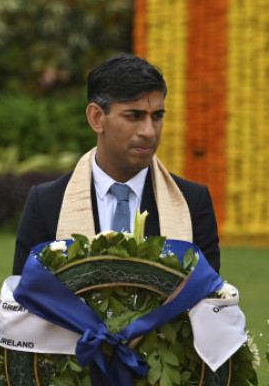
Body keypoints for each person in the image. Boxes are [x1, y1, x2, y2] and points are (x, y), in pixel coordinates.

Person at [11, 53, 220, 275]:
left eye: (157, 116)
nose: (149, 132)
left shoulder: (192, 202)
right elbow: (23, 300)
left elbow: (210, 302)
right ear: (96, 118)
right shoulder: (47, 203)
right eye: (134, 116)